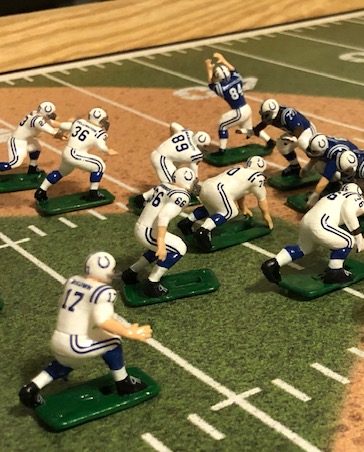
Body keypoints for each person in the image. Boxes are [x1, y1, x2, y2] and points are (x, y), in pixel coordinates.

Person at [18, 252, 152, 409]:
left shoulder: (73, 281)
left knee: (67, 362)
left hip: (58, 339)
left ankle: (31, 388)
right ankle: (124, 383)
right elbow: (104, 321)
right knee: (114, 342)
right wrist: (129, 332)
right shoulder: (103, 292)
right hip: (75, 343)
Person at [261, 183, 364, 285]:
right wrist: (358, 236)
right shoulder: (355, 198)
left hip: (307, 220)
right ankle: (335, 272)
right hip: (321, 224)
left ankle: (274, 263)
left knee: (303, 248)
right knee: (348, 241)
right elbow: (348, 210)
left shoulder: (333, 195)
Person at [122, 168, 197, 297]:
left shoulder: (164, 185)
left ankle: (131, 272)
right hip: (149, 231)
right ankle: (152, 283)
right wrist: (161, 242)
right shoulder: (181, 196)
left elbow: (143, 198)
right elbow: (163, 217)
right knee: (179, 248)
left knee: (161, 247)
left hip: (142, 226)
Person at [178, 156, 273, 251]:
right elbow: (262, 200)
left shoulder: (239, 168)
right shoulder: (257, 178)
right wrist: (266, 215)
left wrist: (243, 208)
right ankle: (203, 231)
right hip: (219, 190)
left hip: (207, 184)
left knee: (210, 207)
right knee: (230, 212)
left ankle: (187, 222)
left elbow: (241, 192)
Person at [34, 107, 117, 202]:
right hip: (76, 154)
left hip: (67, 152)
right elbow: (102, 147)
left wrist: (54, 127)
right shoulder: (99, 132)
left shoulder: (79, 122)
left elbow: (63, 125)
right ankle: (93, 194)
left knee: (61, 172)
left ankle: (41, 190)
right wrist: (108, 151)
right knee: (100, 165)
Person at [205, 53, 275, 155]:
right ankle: (269, 141)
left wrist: (209, 69)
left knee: (222, 125)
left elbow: (211, 82)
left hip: (238, 111)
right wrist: (223, 60)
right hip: (246, 108)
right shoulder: (237, 79)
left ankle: (222, 149)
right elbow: (233, 70)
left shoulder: (221, 88)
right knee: (249, 129)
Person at [252, 98, 316, 176]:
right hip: (293, 133)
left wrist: (295, 138)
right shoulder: (274, 116)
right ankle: (295, 166)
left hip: (306, 130)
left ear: (273, 112)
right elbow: (263, 124)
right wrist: (253, 130)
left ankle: (321, 162)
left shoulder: (287, 115)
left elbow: (299, 128)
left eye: (266, 115)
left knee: (303, 143)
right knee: (281, 144)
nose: (264, 117)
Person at [0, 101, 60, 174]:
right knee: (15, 163)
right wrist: (65, 134)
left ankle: (32, 168)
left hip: (26, 139)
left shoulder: (36, 113)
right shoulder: (38, 121)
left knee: (36, 147)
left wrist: (65, 125)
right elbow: (53, 132)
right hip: (18, 141)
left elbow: (52, 123)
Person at [304, 133, 359, 208]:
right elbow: (317, 155)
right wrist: (308, 166)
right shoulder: (322, 143)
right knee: (319, 165)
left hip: (351, 163)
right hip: (346, 155)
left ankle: (338, 185)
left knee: (322, 167)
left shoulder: (334, 156)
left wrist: (315, 195)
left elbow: (325, 179)